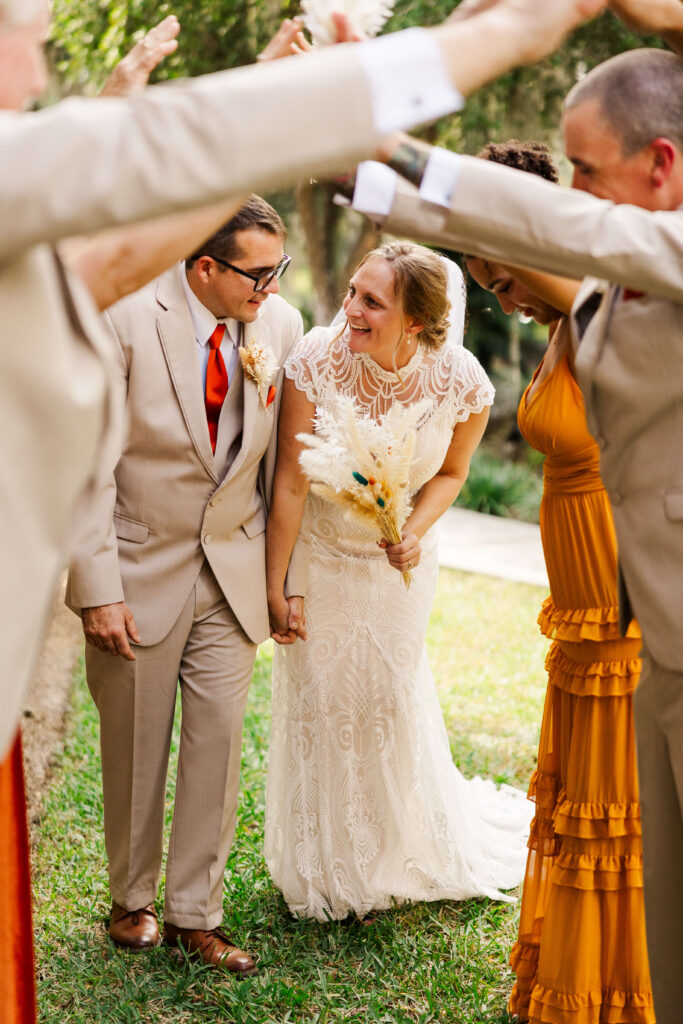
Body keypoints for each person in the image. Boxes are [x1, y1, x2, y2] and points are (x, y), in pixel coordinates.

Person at [344, 29, 683, 1024]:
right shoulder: (612, 279)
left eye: (583, 169)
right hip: (651, 646)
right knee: (662, 922)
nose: (565, 191)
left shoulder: (652, 246)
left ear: (660, 164)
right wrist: (350, 151)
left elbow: (529, 216)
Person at [64, 198, 310, 973]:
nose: (271, 287)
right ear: (204, 267)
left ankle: (195, 915)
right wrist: (97, 586)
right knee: (134, 745)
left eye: (280, 270)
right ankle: (130, 902)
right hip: (137, 569)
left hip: (232, 573)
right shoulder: (126, 315)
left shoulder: (280, 327)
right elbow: (84, 465)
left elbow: (284, 470)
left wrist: (282, 583)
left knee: (218, 745)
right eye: (258, 273)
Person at [264, 241, 534, 921]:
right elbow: (291, 480)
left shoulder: (460, 379)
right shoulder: (315, 360)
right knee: (322, 701)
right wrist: (279, 584)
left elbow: (451, 474)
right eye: (352, 291)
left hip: (399, 569)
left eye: (369, 301)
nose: (348, 309)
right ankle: (327, 862)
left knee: (386, 698)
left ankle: (394, 851)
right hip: (322, 558)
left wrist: (411, 530)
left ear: (414, 321)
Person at [467, 138, 653, 1024]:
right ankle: (577, 986)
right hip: (578, 618)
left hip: (625, 616)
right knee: (585, 809)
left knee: (623, 816)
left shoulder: (616, 312)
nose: (491, 292)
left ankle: (624, 993)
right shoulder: (555, 329)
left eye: (494, 272)